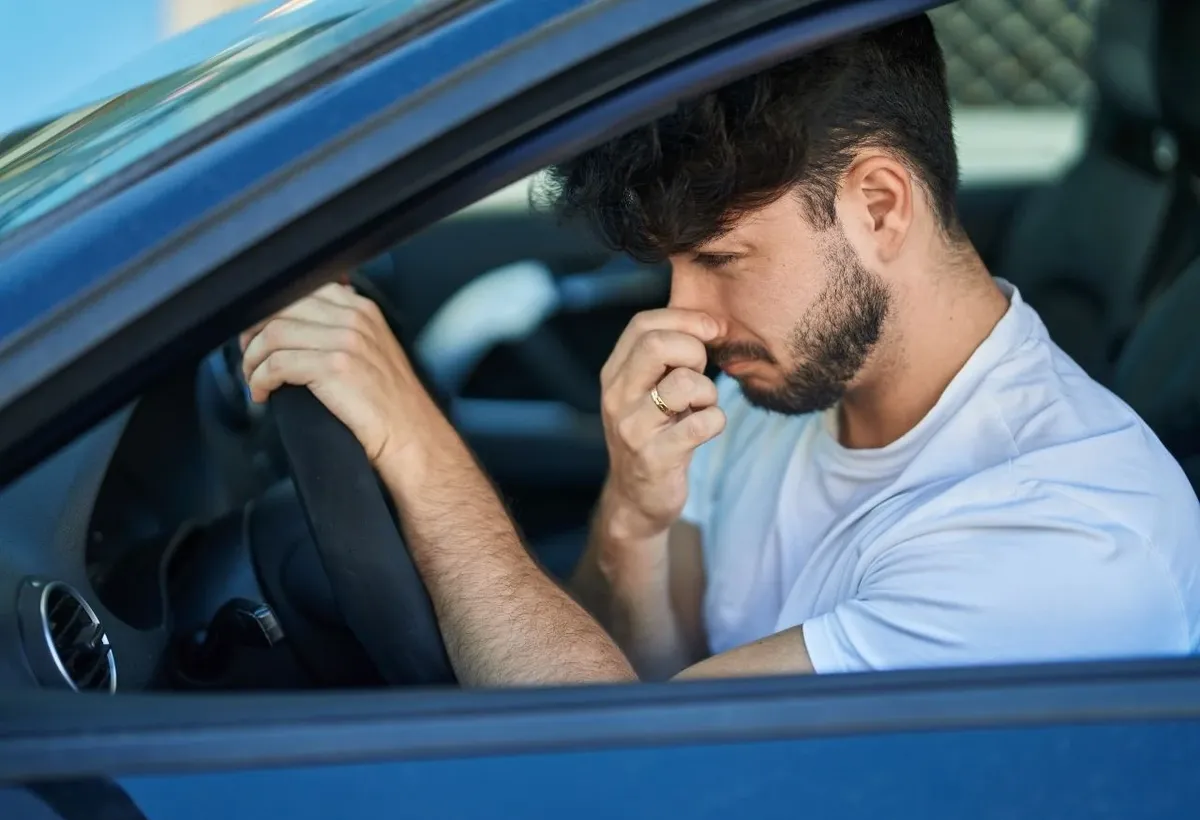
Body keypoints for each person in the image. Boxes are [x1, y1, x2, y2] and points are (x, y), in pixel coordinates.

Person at [240, 14, 1200, 685]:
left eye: (720, 259)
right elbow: (649, 668)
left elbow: (621, 780)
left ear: (878, 206)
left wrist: (416, 449)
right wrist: (634, 516)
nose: (686, 319)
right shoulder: (781, 391)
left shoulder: (1062, 540)